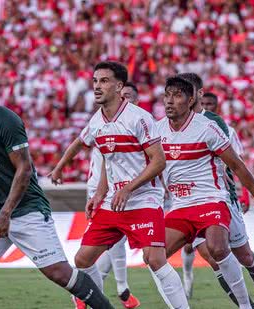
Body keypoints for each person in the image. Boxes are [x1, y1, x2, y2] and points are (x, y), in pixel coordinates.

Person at [0, 64, 113, 309]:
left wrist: (6, 213)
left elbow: (24, 169)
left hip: (27, 209)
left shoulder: (5, 119)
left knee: (59, 273)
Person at [66, 62, 189, 309]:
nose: (97, 86)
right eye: (95, 81)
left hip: (143, 199)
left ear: (119, 86)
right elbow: (107, 163)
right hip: (113, 202)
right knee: (82, 259)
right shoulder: (97, 121)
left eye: (104, 81)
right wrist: (100, 194)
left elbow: (159, 162)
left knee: (154, 259)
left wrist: (128, 188)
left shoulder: (139, 118)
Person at [157, 76, 254, 309]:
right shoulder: (158, 128)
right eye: (167, 95)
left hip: (220, 199)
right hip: (181, 204)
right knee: (208, 256)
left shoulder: (214, 125)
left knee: (241, 255)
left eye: (177, 95)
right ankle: (245, 305)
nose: (170, 101)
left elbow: (236, 165)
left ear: (194, 97)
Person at [49, 82, 141, 308]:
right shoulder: (101, 120)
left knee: (109, 245)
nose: (126, 99)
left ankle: (96, 293)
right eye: (123, 95)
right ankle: (118, 290)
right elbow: (80, 143)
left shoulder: (139, 122)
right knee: (103, 244)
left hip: (129, 189)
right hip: (103, 189)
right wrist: (61, 166)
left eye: (130, 96)